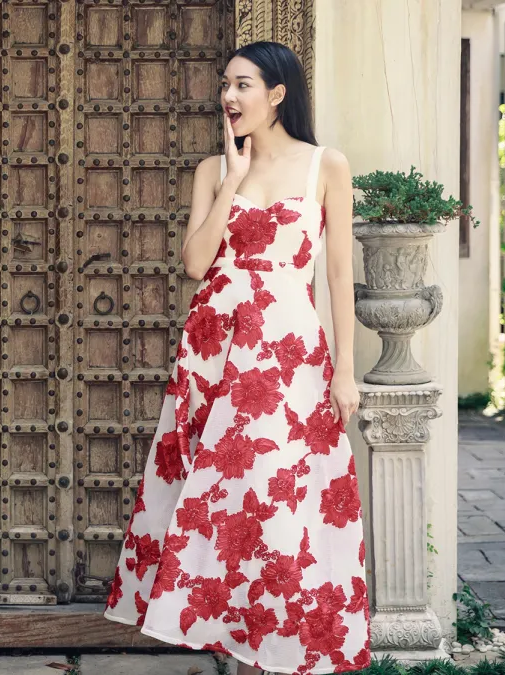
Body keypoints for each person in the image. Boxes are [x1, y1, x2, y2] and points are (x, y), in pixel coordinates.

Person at [102, 41, 370, 675]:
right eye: (225, 84)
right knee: (222, 501)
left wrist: (346, 369)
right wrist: (235, 179)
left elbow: (337, 278)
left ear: (277, 94)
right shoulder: (212, 170)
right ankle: (243, 649)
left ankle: (276, 651)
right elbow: (196, 264)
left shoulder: (325, 166)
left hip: (287, 355)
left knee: (279, 503)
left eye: (243, 85)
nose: (228, 96)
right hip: (213, 350)